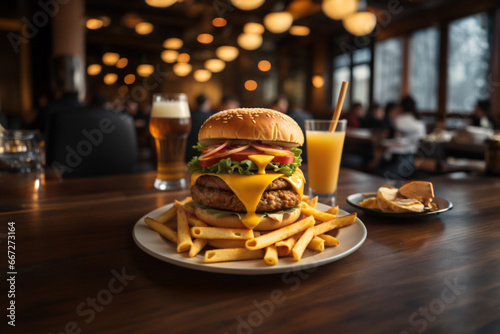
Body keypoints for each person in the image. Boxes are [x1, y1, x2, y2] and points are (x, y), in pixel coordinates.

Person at [186, 94, 214, 161]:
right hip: (208, 155)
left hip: (189, 155)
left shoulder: (189, 116)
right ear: (207, 102)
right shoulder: (213, 117)